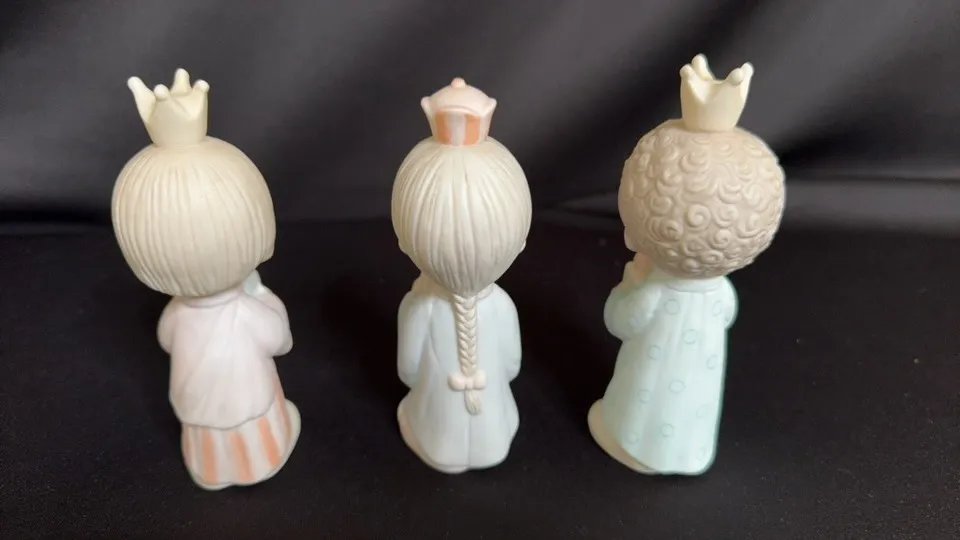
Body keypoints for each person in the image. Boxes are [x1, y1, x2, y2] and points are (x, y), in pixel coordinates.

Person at [113, 69, 299, 489]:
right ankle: (259, 463)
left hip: (196, 407)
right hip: (250, 402)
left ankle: (211, 472)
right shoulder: (247, 311)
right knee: (255, 440)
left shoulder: (176, 313)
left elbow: (165, 340)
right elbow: (280, 341)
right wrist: (266, 299)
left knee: (208, 444)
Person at [391, 78, 532, 473]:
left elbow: (408, 372)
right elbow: (512, 366)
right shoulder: (501, 306)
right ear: (517, 243)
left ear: (407, 242)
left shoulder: (419, 307)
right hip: (495, 425)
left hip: (435, 428)